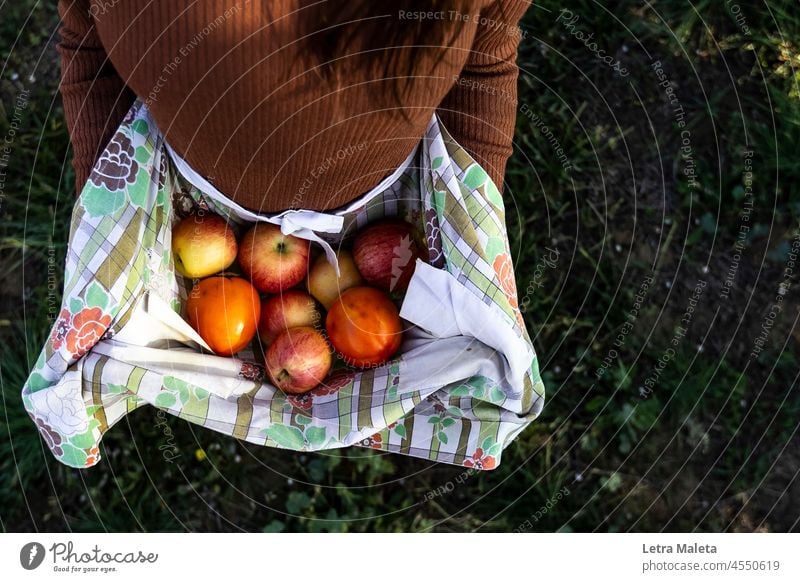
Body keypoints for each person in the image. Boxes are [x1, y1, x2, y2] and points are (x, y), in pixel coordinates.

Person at [57, 0, 529, 213]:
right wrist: (101, 207)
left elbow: (484, 65)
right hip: (189, 203)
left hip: (388, 212)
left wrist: (473, 232)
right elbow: (89, 52)